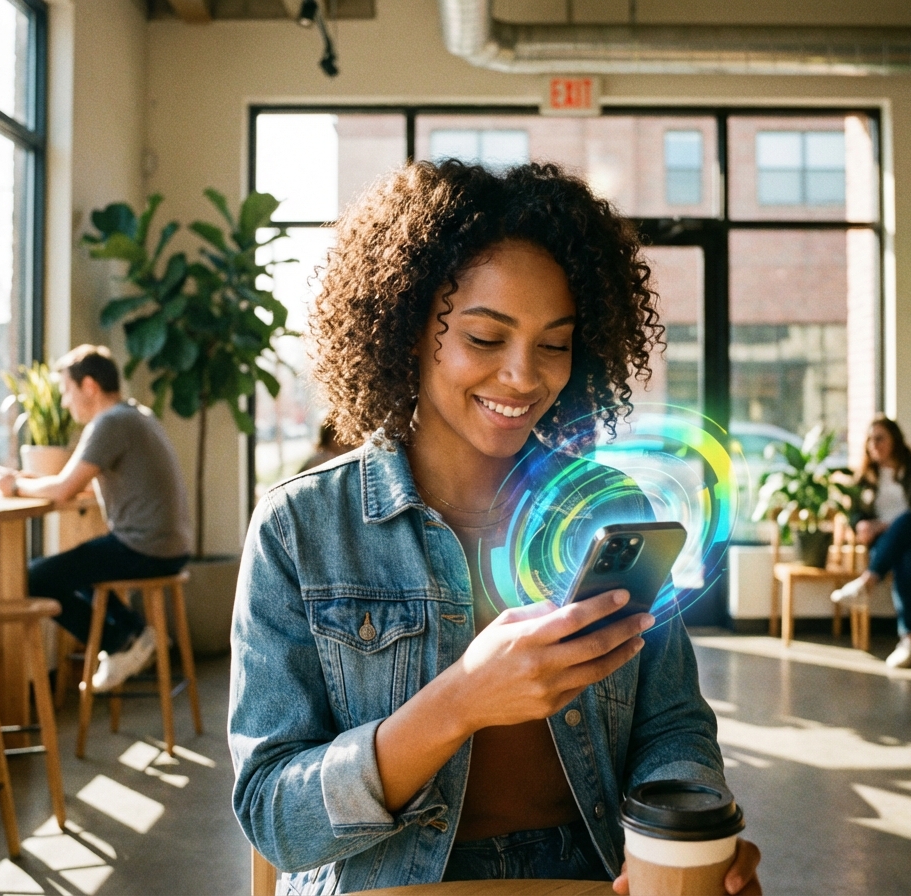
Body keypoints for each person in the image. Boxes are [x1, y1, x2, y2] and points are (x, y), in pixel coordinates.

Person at [229, 161, 761, 895]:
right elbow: (277, 819)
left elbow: (671, 724)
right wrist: (461, 702)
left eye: (554, 344)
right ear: (407, 329)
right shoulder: (302, 526)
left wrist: (686, 833)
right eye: (485, 337)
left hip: (589, 876)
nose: (523, 376)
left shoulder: (608, 508)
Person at [0, 344, 192, 692]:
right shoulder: (136, 415)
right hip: (170, 545)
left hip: (145, 548)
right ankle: (133, 634)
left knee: (34, 577)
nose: (65, 402)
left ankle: (121, 642)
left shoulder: (110, 422)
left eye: (67, 391)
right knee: (78, 566)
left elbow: (64, 489)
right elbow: (81, 482)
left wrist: (14, 486)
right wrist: (32, 482)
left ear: (89, 386)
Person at [831, 416, 911, 668]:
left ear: (895, 440)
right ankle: (910, 642)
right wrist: (860, 525)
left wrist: (881, 525)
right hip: (893, 548)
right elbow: (854, 514)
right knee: (906, 555)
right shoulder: (865, 478)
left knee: (906, 522)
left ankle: (867, 582)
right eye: (869, 440)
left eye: (880, 438)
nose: (873, 445)